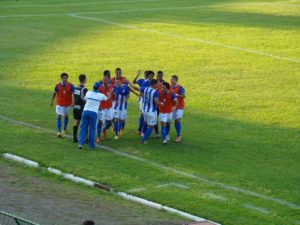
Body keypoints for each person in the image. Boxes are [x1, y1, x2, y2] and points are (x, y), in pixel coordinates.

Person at [78, 83, 107, 149]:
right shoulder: (101, 95)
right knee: (92, 129)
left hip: (85, 111)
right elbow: (106, 99)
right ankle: (91, 145)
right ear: (99, 88)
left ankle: (80, 143)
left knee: (83, 128)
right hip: (93, 113)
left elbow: (85, 99)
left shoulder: (88, 92)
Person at [50, 72, 75, 138]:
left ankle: (64, 129)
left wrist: (73, 102)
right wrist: (52, 101)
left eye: (66, 78)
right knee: (59, 116)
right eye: (64, 78)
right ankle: (59, 131)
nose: (65, 79)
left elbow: (73, 94)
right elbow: (54, 93)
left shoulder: (71, 85)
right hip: (59, 104)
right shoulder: (57, 86)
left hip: (67, 104)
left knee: (66, 116)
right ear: (61, 78)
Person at [140, 79, 160, 144]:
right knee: (151, 126)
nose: (158, 85)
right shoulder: (155, 92)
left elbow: (138, 89)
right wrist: (162, 104)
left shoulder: (145, 89)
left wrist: (129, 83)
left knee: (145, 122)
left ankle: (143, 133)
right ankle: (143, 140)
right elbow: (156, 102)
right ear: (154, 84)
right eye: (157, 83)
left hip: (144, 110)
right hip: (151, 111)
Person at [96, 74, 114, 143]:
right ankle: (98, 137)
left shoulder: (112, 87)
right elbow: (98, 98)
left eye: (106, 80)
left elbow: (114, 95)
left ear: (109, 80)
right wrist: (99, 107)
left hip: (109, 107)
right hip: (102, 108)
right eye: (104, 80)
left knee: (110, 122)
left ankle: (104, 130)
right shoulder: (100, 88)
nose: (105, 81)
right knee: (100, 122)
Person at [72, 74, 88, 143]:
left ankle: (74, 138)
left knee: (76, 122)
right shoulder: (84, 89)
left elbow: (74, 96)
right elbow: (84, 99)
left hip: (75, 107)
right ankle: (85, 139)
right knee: (84, 123)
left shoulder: (76, 88)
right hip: (82, 107)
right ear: (84, 80)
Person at [170, 75, 185, 143]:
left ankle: (178, 135)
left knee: (177, 120)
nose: (171, 81)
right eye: (170, 80)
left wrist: (176, 95)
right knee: (169, 121)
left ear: (176, 80)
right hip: (172, 106)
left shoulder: (180, 87)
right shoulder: (169, 87)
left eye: (172, 80)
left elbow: (183, 96)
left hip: (179, 106)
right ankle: (166, 135)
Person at [132, 70, 148, 135]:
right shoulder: (142, 80)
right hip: (142, 99)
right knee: (142, 114)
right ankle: (140, 129)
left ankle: (142, 129)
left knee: (144, 114)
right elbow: (133, 82)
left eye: (147, 75)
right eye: (145, 75)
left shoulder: (150, 82)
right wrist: (137, 75)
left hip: (147, 99)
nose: (146, 76)